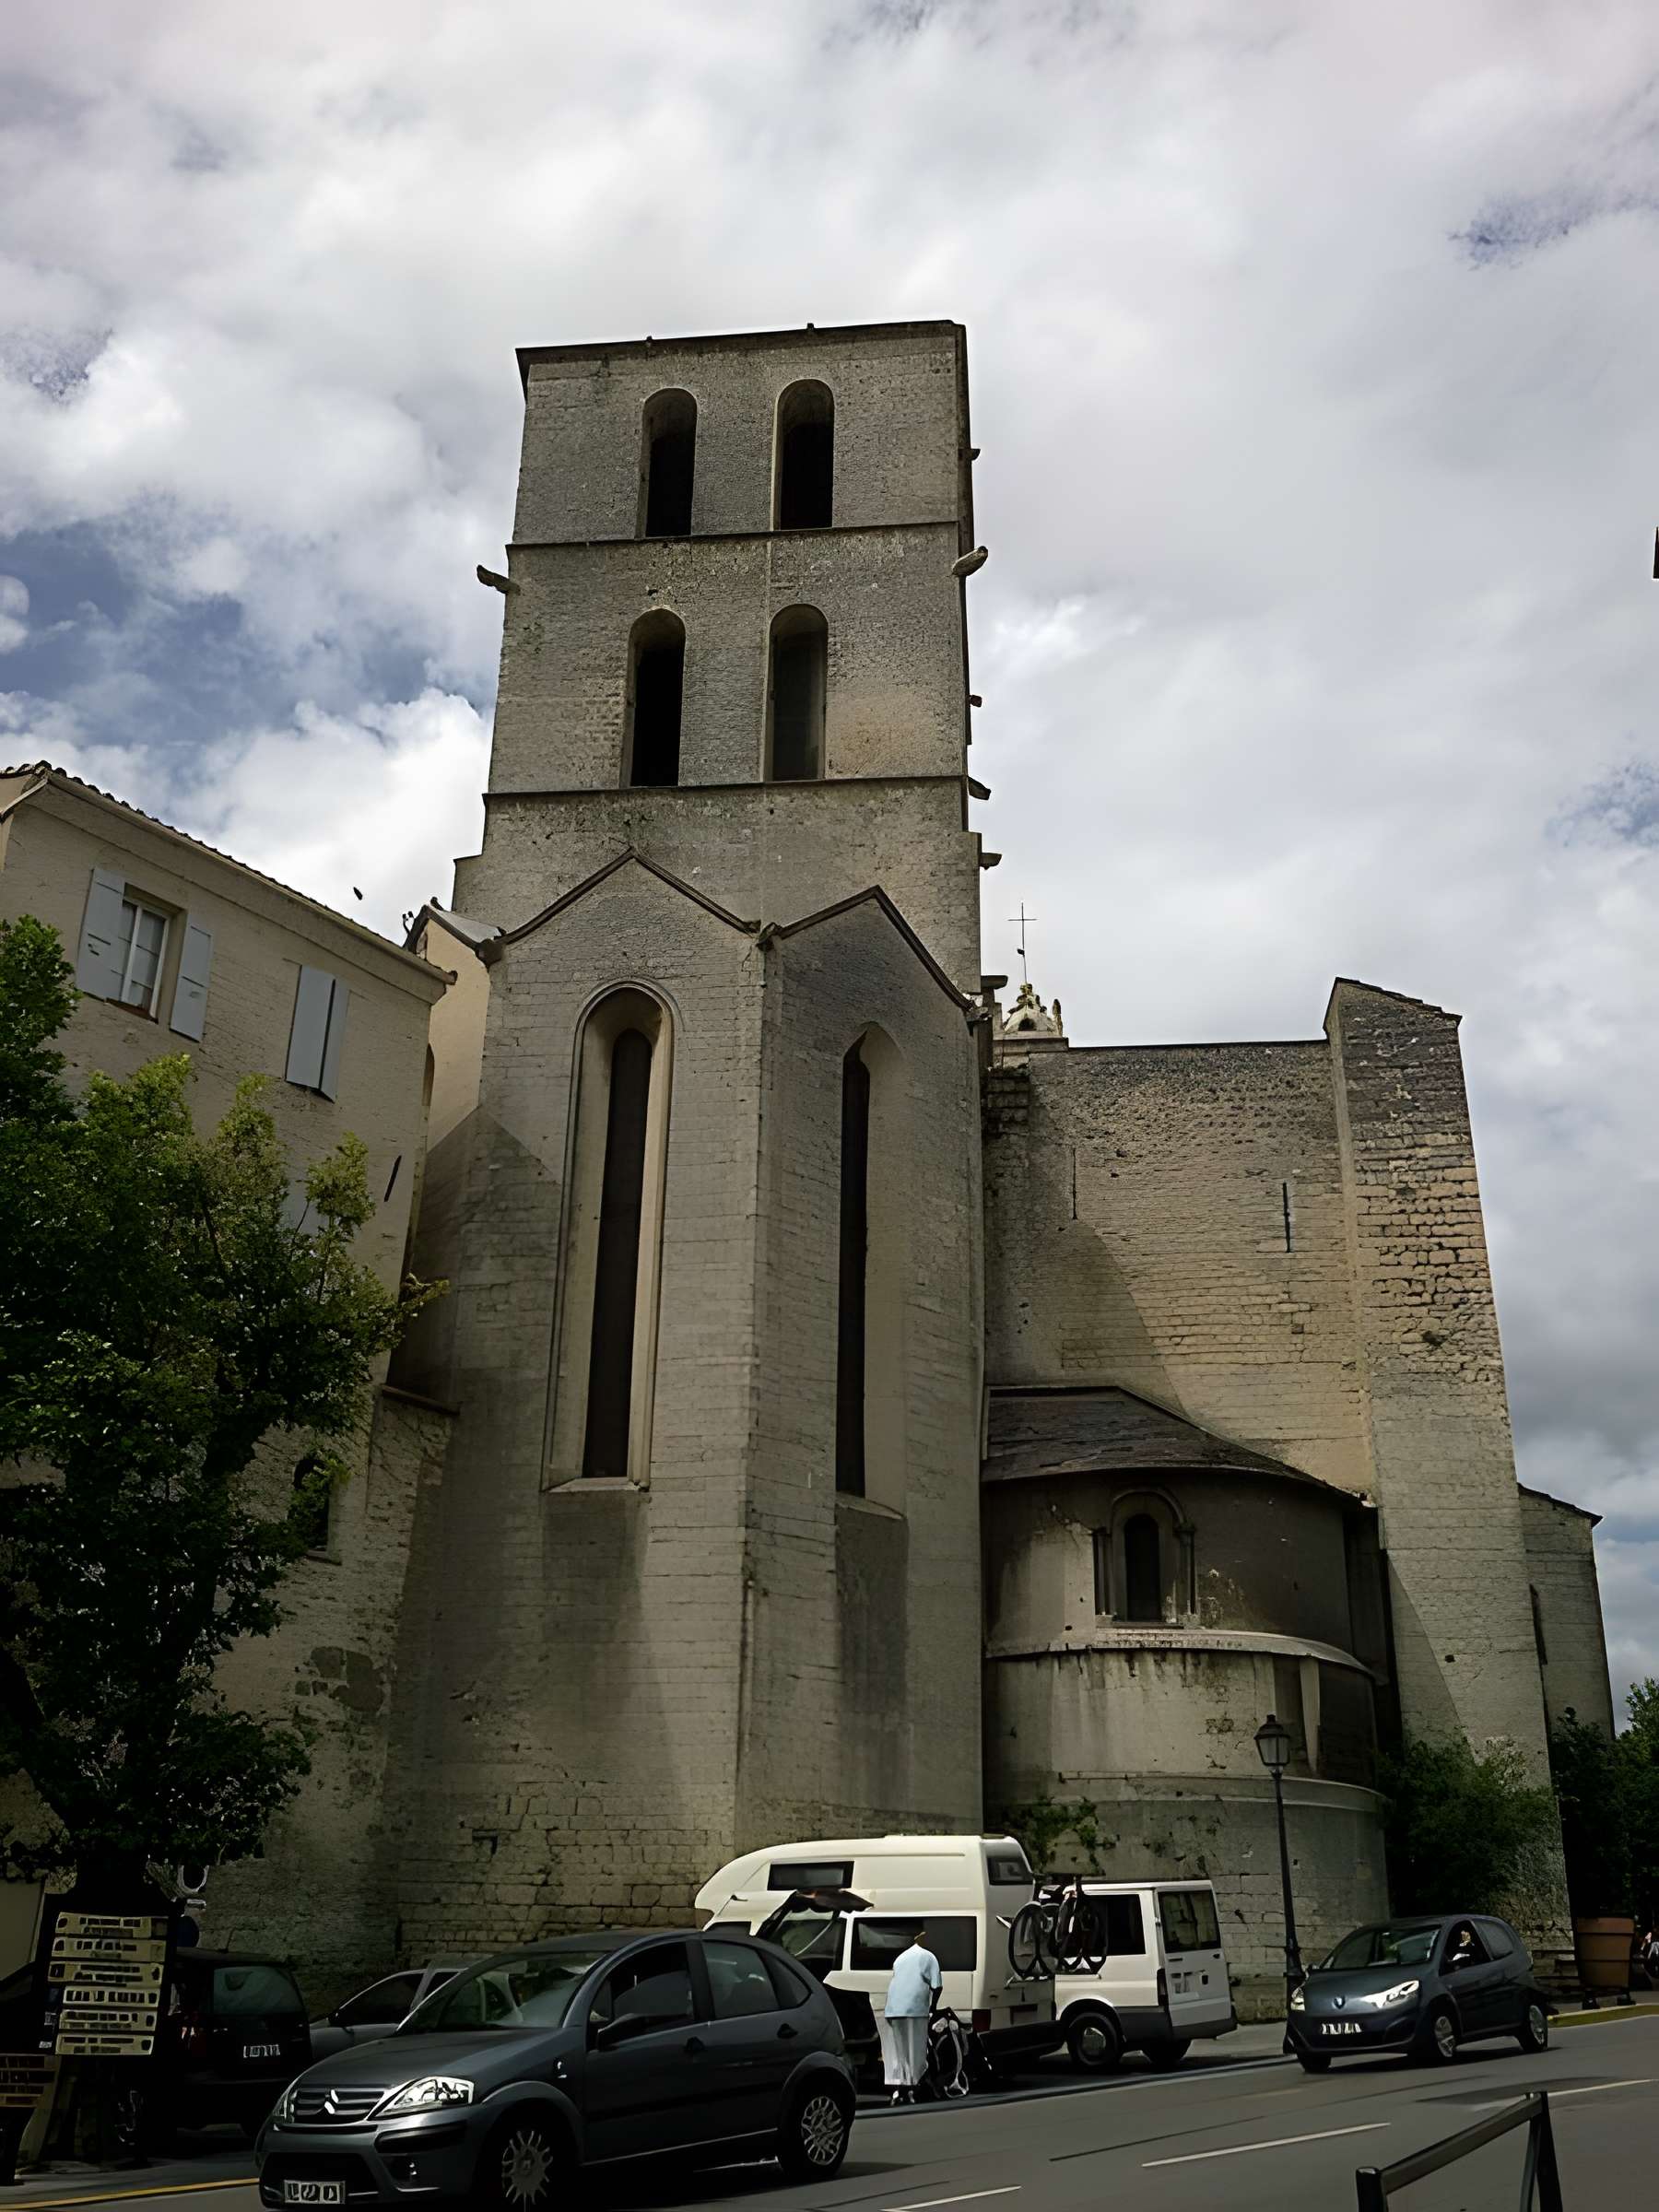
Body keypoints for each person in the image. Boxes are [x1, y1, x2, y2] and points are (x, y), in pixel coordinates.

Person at [879, 1924, 942, 2104]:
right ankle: (913, 2089)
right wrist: (933, 2007)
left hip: (893, 2009)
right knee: (916, 2051)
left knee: (899, 2052)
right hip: (915, 2009)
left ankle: (899, 2089)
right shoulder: (929, 1956)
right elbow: (937, 1986)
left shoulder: (901, 1958)